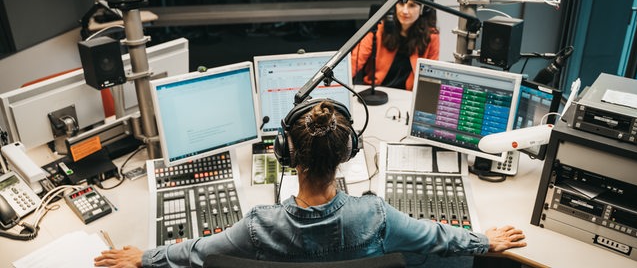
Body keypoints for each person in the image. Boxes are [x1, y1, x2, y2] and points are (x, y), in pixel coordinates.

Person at [94, 100, 526, 268]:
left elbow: (197, 252)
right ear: (348, 153)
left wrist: (144, 257)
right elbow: (435, 237)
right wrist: (484, 242)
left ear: (285, 154)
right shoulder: (376, 217)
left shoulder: (257, 227)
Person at [352, 0, 440, 91]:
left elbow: (432, 77)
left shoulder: (431, 36)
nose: (405, 11)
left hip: (408, 96)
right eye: (401, 4)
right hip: (377, 93)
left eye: (412, 6)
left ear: (423, 9)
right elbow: (354, 62)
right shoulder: (378, 30)